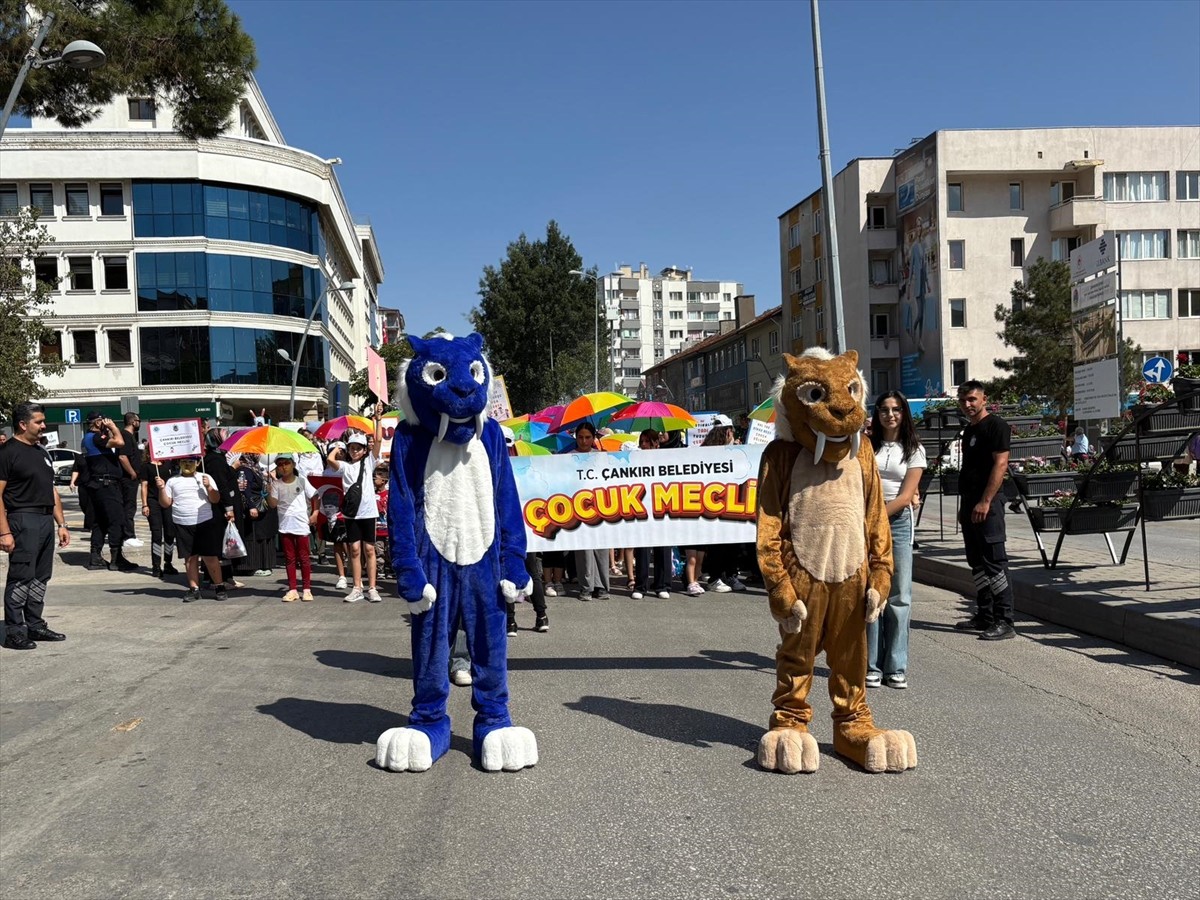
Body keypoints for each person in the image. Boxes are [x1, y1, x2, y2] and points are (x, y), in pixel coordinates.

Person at [866, 391, 927, 689]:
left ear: (904, 413)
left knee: (899, 595)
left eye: (896, 409)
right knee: (871, 594)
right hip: (867, 521)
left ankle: (895, 666)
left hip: (897, 522)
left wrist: (874, 519)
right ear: (877, 414)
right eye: (884, 409)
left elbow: (905, 496)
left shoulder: (914, 449)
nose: (890, 415)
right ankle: (871, 665)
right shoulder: (866, 445)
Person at [0, 403, 71, 650]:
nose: (43, 426)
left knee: (41, 577)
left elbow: (51, 490)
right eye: (38, 422)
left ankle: (35, 625)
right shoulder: (7, 452)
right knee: (21, 576)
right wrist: (4, 532)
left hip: (45, 519)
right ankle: (14, 631)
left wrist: (61, 523)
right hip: (23, 519)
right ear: (23, 424)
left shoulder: (41, 451)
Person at [953, 381, 1016, 640]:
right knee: (976, 562)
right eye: (963, 400)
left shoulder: (996, 426)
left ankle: (1004, 620)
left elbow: (1000, 464)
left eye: (972, 399)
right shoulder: (970, 430)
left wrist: (985, 501)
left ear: (983, 399)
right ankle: (985, 615)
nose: (967, 404)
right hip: (970, 503)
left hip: (987, 505)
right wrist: (966, 505)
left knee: (994, 562)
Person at [325, 405, 385, 602]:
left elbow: (378, 441)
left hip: (368, 512)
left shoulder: (369, 462)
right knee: (355, 550)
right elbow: (330, 459)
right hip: (351, 513)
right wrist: (337, 448)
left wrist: (378, 419)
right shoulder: (345, 466)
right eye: (351, 448)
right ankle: (357, 587)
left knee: (369, 549)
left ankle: (372, 588)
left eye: (358, 448)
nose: (355, 451)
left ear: (364, 450)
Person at [157, 456, 227, 602]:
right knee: (189, 558)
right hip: (182, 523)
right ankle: (194, 588)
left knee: (210, 557)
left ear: (198, 463)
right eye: (184, 462)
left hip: (204, 521)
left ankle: (219, 586)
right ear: (179, 463)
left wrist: (208, 487)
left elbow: (215, 499)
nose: (187, 464)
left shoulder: (205, 477)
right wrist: (161, 489)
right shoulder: (172, 481)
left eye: (191, 462)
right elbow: (165, 503)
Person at [82, 411, 137, 571]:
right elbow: (120, 442)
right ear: (97, 422)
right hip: (106, 485)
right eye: (103, 420)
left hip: (98, 485)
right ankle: (116, 558)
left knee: (100, 521)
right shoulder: (96, 438)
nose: (107, 422)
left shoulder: (87, 438)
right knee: (116, 520)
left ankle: (95, 557)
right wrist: (113, 427)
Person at [565, 421, 609, 601]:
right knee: (584, 550)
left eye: (588, 437)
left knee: (601, 548)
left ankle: (602, 586)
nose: (584, 441)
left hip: (602, 507)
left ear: (594, 438)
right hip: (579, 508)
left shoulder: (602, 457)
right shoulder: (568, 457)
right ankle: (586, 587)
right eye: (580, 437)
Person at [701, 419, 745, 592]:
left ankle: (722, 575)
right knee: (723, 544)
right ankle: (719, 576)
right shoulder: (723, 453)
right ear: (728, 432)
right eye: (732, 432)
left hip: (717, 504)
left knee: (722, 544)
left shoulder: (705, 451)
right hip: (723, 504)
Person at [268, 454, 317, 602]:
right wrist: (269, 489)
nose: (283, 467)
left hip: (301, 524)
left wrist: (315, 513)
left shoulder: (301, 480)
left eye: (286, 463)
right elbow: (272, 504)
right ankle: (293, 589)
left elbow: (315, 495)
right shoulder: (276, 484)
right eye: (280, 464)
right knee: (289, 558)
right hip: (285, 525)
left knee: (304, 558)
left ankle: (307, 589)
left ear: (293, 464)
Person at [631, 429, 673, 600]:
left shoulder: (667, 459)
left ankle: (662, 585)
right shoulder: (635, 460)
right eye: (641, 441)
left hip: (663, 507)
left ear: (656, 443)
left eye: (647, 441)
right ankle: (640, 586)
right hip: (642, 508)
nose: (643, 445)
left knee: (663, 547)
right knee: (642, 549)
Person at [234, 453, 277, 577]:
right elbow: (245, 489)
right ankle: (251, 565)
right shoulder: (245, 470)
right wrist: (251, 506)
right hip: (254, 508)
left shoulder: (254, 468)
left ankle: (262, 564)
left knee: (262, 535)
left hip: (261, 507)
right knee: (254, 536)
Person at [140, 452, 179, 579]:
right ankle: (156, 565)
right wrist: (145, 505)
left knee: (170, 532)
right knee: (157, 533)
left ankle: (168, 562)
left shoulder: (168, 464)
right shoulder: (146, 466)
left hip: (167, 500)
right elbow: (144, 486)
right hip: (153, 501)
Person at [118, 412, 143, 548]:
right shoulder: (126, 436)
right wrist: (132, 472)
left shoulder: (130, 436)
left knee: (130, 506)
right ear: (133, 422)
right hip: (128, 479)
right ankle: (128, 536)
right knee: (129, 507)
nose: (139, 423)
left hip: (131, 478)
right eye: (138, 421)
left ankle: (130, 534)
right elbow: (123, 457)